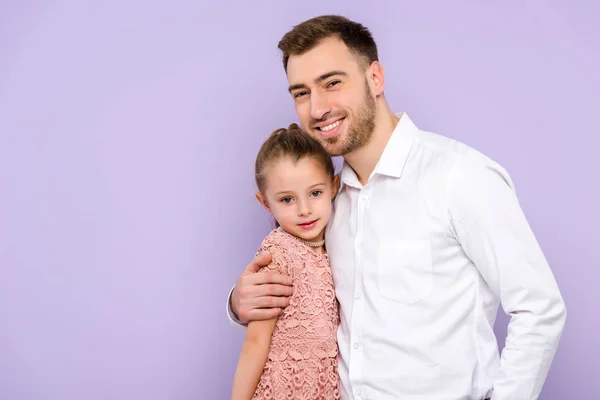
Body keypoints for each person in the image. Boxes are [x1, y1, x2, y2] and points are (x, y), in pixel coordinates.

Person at [227, 15, 566, 400]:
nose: (317, 108)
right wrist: (239, 303)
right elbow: (303, 294)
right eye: (301, 93)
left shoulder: (459, 175)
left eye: (332, 83)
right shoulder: (324, 203)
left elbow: (540, 309)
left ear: (375, 78)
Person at [230, 124, 342, 400]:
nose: (304, 210)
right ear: (266, 203)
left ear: (334, 187)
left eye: (315, 193)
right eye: (287, 199)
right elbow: (256, 341)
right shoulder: (278, 252)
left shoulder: (335, 246)